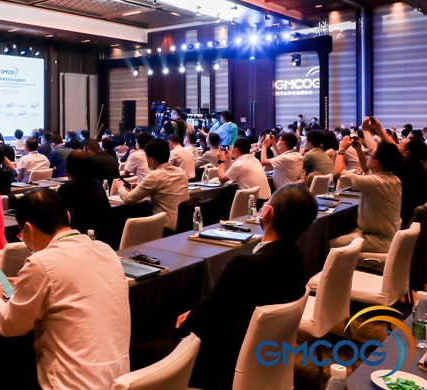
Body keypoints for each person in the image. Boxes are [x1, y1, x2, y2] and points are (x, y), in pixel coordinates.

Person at [0, 189, 130, 389]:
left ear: (28, 229)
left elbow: (10, 325)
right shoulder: (106, 250)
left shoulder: (41, 263)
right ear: (67, 216)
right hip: (118, 382)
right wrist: (31, 283)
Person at [177, 184, 317, 390]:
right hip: (263, 357)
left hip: (220, 365)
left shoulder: (245, 265)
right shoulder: (294, 257)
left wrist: (189, 319)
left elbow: (201, 322)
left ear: (267, 211)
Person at [331, 134, 402, 252]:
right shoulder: (392, 179)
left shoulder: (375, 182)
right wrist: (359, 149)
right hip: (385, 236)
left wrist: (341, 149)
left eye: (370, 155)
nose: (368, 156)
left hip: (377, 239)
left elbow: (338, 173)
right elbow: (366, 169)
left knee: (326, 244)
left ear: (376, 162)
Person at [115, 139, 189, 231]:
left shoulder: (154, 175)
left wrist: (119, 187)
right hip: (184, 222)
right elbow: (165, 189)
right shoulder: (180, 172)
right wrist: (140, 186)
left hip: (165, 225)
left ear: (151, 159)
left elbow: (128, 199)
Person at [57, 151, 116, 249]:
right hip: (106, 241)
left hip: (81, 243)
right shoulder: (97, 183)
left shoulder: (67, 189)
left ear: (69, 169)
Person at [218, 137, 271, 203]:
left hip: (253, 202)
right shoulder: (255, 160)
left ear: (236, 149)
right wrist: (228, 158)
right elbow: (233, 173)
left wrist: (221, 160)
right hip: (266, 200)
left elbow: (221, 179)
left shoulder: (239, 164)